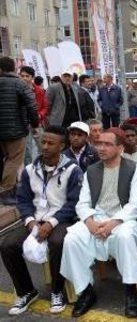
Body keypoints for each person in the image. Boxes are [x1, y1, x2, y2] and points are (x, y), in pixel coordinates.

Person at [60, 128, 137, 318]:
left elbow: (136, 204)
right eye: (99, 143)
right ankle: (86, 291)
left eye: (108, 144)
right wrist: (90, 222)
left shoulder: (133, 169)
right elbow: (82, 202)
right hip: (96, 217)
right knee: (71, 239)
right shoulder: (92, 170)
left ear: (120, 148)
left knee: (124, 236)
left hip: (123, 218)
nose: (101, 148)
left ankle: (131, 290)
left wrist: (113, 222)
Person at [1, 126, 83, 315]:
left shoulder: (72, 170)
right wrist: (30, 221)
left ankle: (57, 291)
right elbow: (23, 200)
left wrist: (51, 223)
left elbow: (73, 203)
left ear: (62, 146)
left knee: (57, 242)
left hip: (62, 219)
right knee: (7, 245)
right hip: (36, 218)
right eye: (43, 142)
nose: (44, 146)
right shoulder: (30, 170)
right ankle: (26, 291)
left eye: (50, 143)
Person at [0, 57, 39, 205]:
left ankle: (11, 188)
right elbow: (32, 106)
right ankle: (6, 191)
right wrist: (34, 124)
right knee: (14, 159)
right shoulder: (19, 84)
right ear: (14, 69)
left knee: (5, 159)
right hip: (16, 130)